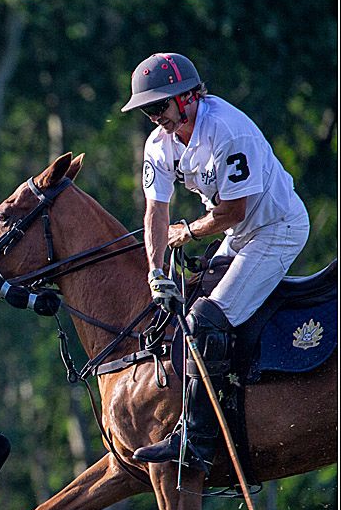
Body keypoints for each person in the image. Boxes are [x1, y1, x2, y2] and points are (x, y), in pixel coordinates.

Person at [121, 53, 309, 471]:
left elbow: (232, 212)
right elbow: (156, 213)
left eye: (160, 107)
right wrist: (155, 272)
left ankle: (198, 442)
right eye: (148, 111)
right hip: (239, 233)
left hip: (277, 229)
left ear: (188, 97)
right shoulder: (159, 145)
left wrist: (186, 233)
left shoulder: (227, 131)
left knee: (206, 320)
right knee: (183, 312)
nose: (155, 118)